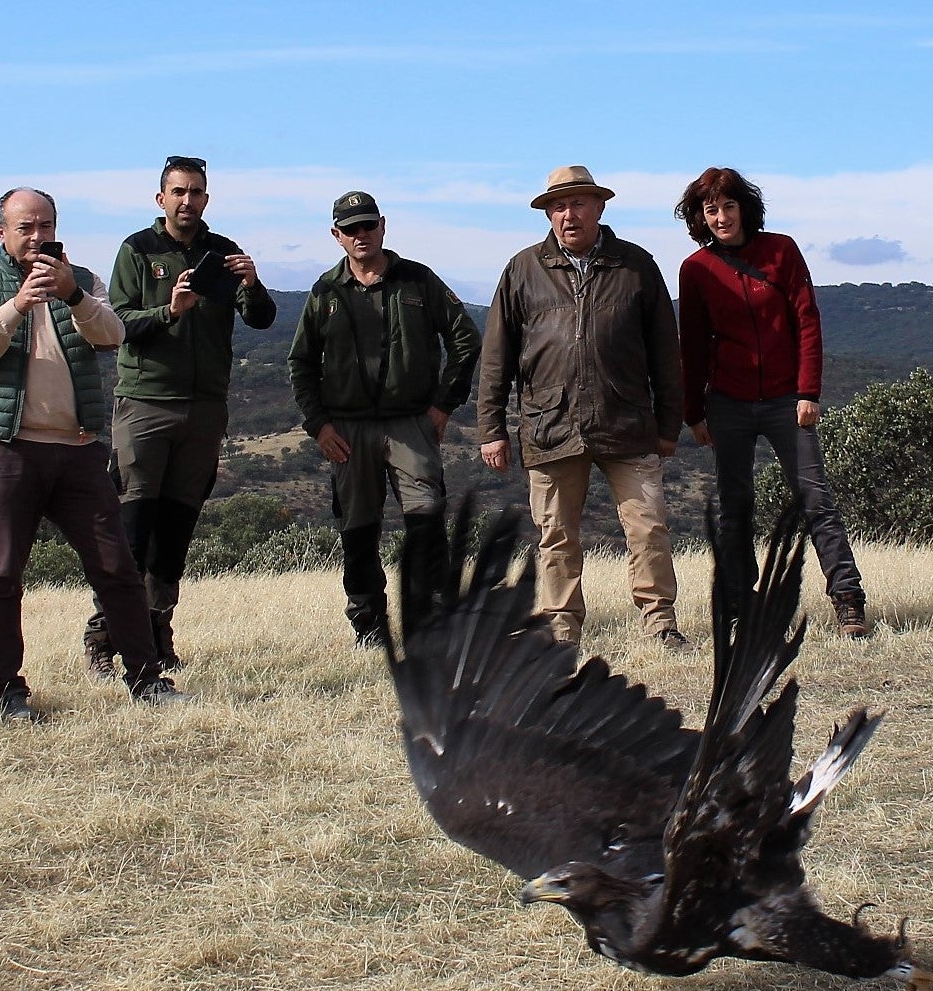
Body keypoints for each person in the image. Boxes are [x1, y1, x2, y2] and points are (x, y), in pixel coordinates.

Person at [0, 187, 188, 720]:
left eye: (46, 226)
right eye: (25, 227)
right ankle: (8, 691)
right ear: (2, 234)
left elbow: (113, 334)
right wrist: (18, 304)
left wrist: (72, 293)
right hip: (4, 449)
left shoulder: (81, 280)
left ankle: (146, 679)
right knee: (1, 575)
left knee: (116, 567)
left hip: (76, 450)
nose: (37, 237)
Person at [477, 166, 687, 650]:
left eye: (577, 203)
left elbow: (666, 353)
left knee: (649, 527)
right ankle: (561, 628)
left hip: (626, 422)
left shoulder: (636, 265)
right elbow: (496, 358)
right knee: (555, 535)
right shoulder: (522, 269)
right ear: (548, 214)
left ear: (599, 207)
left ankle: (660, 622)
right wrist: (491, 429)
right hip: (550, 425)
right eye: (558, 206)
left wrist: (668, 424)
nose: (568, 214)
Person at [82, 155, 278, 674]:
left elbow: (261, 320)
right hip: (146, 403)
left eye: (195, 192)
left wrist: (253, 284)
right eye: (178, 192)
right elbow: (117, 322)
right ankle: (105, 635)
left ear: (206, 199)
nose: (187, 201)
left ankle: (156, 632)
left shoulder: (223, 251)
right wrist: (170, 310)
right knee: (131, 527)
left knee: (175, 530)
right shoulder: (137, 250)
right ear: (161, 198)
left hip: (205, 408)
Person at [675, 167, 871, 639]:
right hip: (728, 402)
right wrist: (693, 413)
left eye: (728, 206)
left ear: (744, 208)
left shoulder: (781, 251)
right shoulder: (695, 269)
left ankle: (848, 601)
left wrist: (808, 392)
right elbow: (693, 345)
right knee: (735, 508)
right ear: (701, 217)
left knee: (816, 500)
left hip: (787, 400)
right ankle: (740, 607)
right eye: (711, 210)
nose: (721, 217)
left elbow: (807, 321)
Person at [288, 191, 481, 644]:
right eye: (350, 229)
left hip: (410, 424)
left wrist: (443, 405)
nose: (361, 235)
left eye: (368, 225)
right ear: (336, 235)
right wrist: (318, 425)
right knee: (357, 531)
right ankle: (368, 624)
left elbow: (466, 340)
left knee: (426, 521)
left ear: (383, 226)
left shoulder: (418, 280)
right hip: (347, 430)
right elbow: (300, 362)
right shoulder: (325, 291)